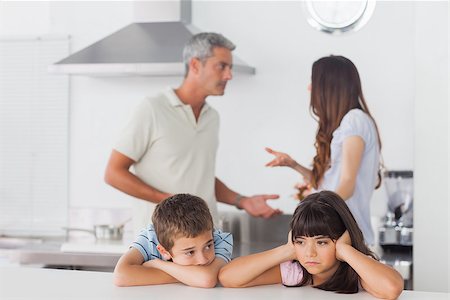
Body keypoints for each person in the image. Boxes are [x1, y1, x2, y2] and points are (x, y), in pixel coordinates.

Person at [105, 32, 281, 235]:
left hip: (205, 239)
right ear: (196, 65)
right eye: (222, 66)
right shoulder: (153, 109)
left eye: (230, 68)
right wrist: (171, 203)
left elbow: (201, 176)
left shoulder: (212, 117)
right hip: (161, 241)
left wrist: (243, 201)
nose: (229, 75)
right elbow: (114, 173)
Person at [265, 55, 381, 245]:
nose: (310, 88)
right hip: (339, 235)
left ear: (329, 86)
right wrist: (293, 164)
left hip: (348, 237)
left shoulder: (355, 120)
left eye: (314, 82)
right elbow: (328, 184)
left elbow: (347, 184)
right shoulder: (346, 123)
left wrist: (314, 210)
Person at [219, 191, 403, 299]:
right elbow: (228, 277)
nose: (309, 253)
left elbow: (391, 288)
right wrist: (287, 250)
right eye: (300, 242)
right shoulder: (296, 272)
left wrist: (346, 251)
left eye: (321, 242)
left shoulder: (356, 271)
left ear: (342, 239)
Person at [114, 193, 233, 288]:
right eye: (190, 252)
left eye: (208, 246)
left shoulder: (220, 240)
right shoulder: (151, 238)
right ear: (164, 251)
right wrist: (190, 277)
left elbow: (206, 280)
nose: (203, 259)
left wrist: (158, 264)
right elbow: (121, 276)